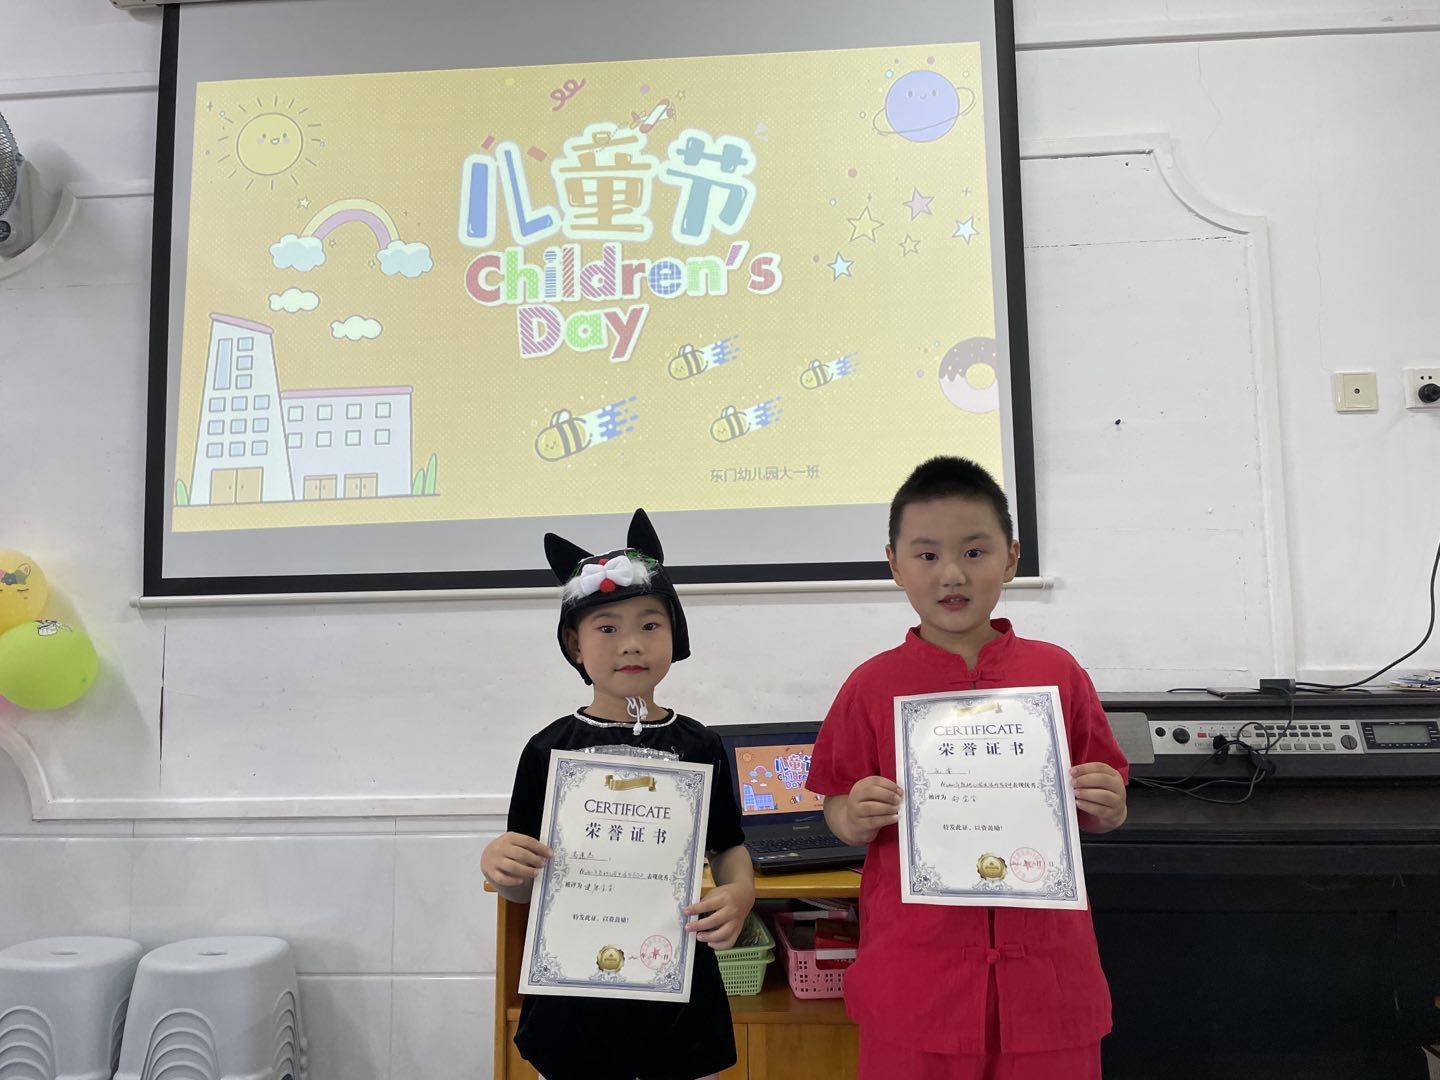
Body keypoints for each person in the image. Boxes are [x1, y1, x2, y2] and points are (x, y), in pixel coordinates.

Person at [808, 456, 1129, 1080]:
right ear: (895, 564)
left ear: (1011, 558)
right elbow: (836, 806)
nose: (951, 573)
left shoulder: (1057, 673)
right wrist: (854, 814)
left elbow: (1102, 801)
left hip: (1047, 988)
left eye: (974, 552)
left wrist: (1107, 802)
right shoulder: (871, 685)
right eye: (927, 555)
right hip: (916, 984)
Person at [481, 509, 755, 1080]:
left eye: (650, 625)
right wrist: (501, 865)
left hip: (676, 987)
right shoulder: (547, 750)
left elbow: (727, 847)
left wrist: (740, 893)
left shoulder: (700, 745)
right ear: (574, 644)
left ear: (675, 635)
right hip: (574, 999)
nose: (631, 644)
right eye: (607, 629)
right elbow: (523, 880)